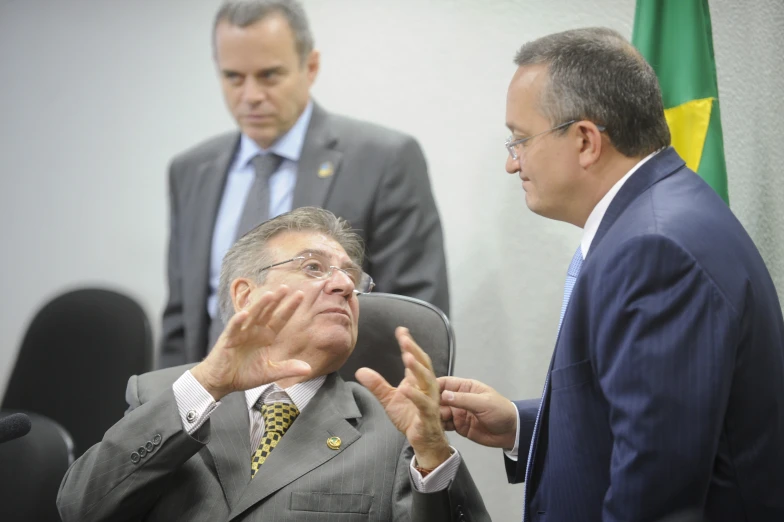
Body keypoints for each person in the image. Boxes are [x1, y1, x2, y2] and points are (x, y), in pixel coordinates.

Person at [439, 28, 784, 522]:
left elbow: (654, 491)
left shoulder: (656, 250)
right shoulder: (653, 219)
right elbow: (645, 423)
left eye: (519, 140)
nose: (511, 164)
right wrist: (521, 424)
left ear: (585, 141)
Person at [57, 207, 488, 522]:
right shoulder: (162, 395)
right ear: (247, 295)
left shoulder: (395, 432)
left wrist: (433, 455)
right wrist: (207, 384)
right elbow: (82, 509)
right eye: (314, 268)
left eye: (352, 279)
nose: (343, 285)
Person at [160, 0, 449, 369]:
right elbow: (181, 319)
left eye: (269, 75)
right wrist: (169, 414)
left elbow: (413, 318)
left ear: (310, 67)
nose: (250, 96)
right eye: (234, 77)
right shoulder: (191, 170)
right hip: (214, 411)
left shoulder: (383, 160)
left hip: (337, 413)